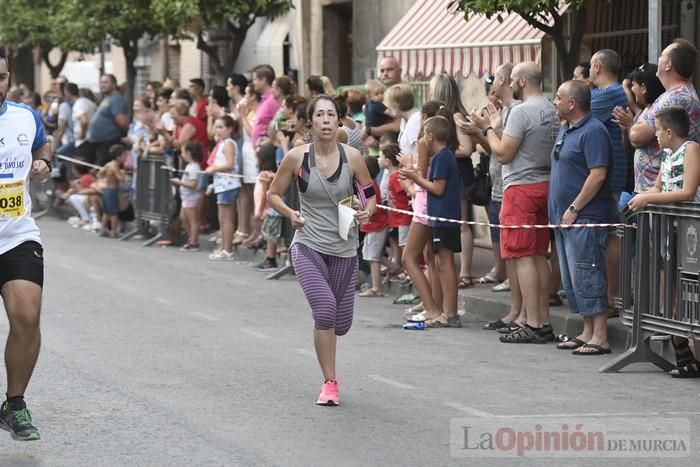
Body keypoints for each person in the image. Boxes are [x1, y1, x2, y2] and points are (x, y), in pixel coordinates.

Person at [267, 95, 375, 406]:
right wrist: (290, 214)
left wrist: (366, 210)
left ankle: (329, 357)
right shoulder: (296, 158)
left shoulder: (353, 157)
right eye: (320, 115)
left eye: (331, 115)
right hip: (308, 244)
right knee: (325, 309)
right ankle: (330, 382)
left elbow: (369, 195)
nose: (326, 120)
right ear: (310, 123)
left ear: (339, 121)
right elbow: (274, 194)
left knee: (341, 324)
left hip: (344, 248)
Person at [470, 62, 559, 343]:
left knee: (522, 256)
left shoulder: (522, 112)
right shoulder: (551, 109)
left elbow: (503, 154)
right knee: (537, 254)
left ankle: (532, 322)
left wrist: (486, 130)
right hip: (546, 183)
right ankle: (541, 318)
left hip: (521, 186)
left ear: (520, 81)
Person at [0, 47, 51, 442]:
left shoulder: (25, 115)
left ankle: (14, 403)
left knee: (27, 317)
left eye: (1, 77)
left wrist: (43, 162)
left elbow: (41, 144)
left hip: (17, 234)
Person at [628, 106, 700, 376]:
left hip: (690, 233)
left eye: (658, 131)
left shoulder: (691, 149)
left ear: (669, 132)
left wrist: (648, 199)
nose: (655, 136)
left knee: (690, 294)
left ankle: (692, 354)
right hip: (668, 233)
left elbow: (688, 190)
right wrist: (644, 194)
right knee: (671, 291)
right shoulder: (667, 155)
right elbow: (659, 186)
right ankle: (683, 355)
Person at [550, 80, 613, 355]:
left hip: (585, 216)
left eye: (558, 97)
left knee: (588, 274)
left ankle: (600, 335)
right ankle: (587, 330)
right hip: (563, 218)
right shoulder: (566, 128)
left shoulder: (594, 131)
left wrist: (575, 208)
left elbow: (597, 174)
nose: (554, 101)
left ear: (572, 103)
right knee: (573, 279)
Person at [400, 115, 463, 327]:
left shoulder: (442, 158)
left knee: (445, 264)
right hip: (440, 216)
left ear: (429, 136)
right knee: (439, 262)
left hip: (444, 216)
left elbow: (438, 188)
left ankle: (450, 312)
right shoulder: (443, 156)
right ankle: (445, 311)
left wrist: (416, 178)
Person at [589, 49, 629, 314]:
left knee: (613, 235)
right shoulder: (612, 93)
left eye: (591, 67)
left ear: (598, 66)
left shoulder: (609, 94)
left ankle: (613, 296)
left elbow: (580, 110)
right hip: (613, 173)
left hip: (611, 176)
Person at [428, 73, 476, 289]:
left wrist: (441, 153)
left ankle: (465, 271)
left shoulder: (455, 117)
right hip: (451, 171)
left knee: (463, 223)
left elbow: (467, 148)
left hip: (458, 172)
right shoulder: (445, 117)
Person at [613, 63, 665, 194]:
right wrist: (625, 131)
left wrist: (630, 125)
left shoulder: (657, 110)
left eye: (633, 85)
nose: (632, 89)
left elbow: (636, 138)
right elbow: (630, 145)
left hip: (653, 189)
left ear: (643, 88)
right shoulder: (644, 111)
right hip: (640, 187)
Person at [206, 116, 240, 261]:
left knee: (227, 218)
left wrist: (214, 168)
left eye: (221, 127)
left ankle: (227, 249)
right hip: (222, 184)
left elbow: (230, 164)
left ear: (230, 129)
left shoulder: (228, 143)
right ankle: (223, 247)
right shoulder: (221, 143)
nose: (217, 130)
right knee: (222, 218)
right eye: (216, 127)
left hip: (228, 184)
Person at [358, 156, 389, 297]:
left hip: (376, 225)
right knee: (369, 253)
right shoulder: (367, 184)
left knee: (373, 256)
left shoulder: (369, 185)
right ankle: (395, 268)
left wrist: (359, 206)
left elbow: (371, 206)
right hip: (372, 226)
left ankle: (376, 287)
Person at [87, 74, 129, 165]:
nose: (102, 85)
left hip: (108, 142)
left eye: (106, 82)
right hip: (100, 143)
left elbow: (122, 121)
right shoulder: (108, 98)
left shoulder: (116, 99)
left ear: (114, 84)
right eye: (101, 82)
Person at [171, 142, 203, 251]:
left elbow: (193, 184)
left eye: (183, 152)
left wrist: (180, 183)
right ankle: (191, 238)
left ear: (189, 153)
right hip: (186, 197)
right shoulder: (189, 166)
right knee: (184, 218)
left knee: (192, 220)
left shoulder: (194, 167)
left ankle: (194, 242)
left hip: (191, 197)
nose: (182, 154)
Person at [253, 144, 281, 271]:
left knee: (270, 235)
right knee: (270, 234)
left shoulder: (266, 175)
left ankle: (271, 259)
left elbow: (266, 193)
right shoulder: (273, 174)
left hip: (269, 209)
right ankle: (270, 257)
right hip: (269, 209)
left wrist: (259, 210)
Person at [99, 144, 128, 238]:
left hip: (106, 190)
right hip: (112, 191)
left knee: (106, 212)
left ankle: (103, 229)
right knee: (114, 213)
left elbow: (100, 173)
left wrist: (106, 178)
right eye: (124, 155)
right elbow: (120, 179)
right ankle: (114, 231)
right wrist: (123, 174)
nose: (126, 157)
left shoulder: (108, 164)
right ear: (118, 156)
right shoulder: (115, 166)